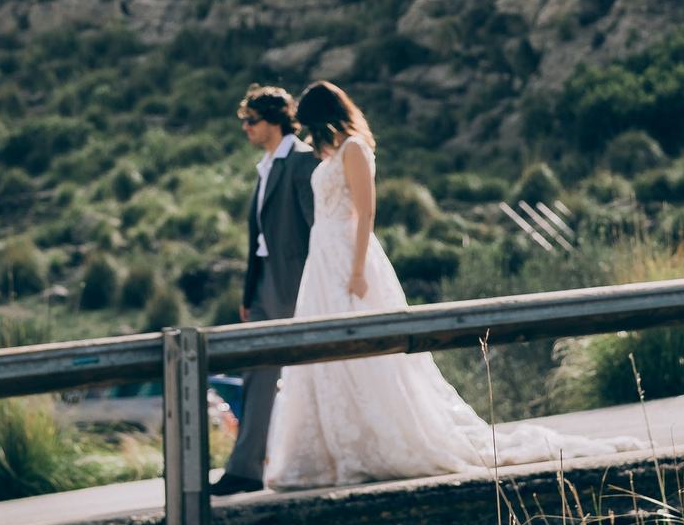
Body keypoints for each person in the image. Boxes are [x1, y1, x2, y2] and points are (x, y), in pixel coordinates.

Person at [261, 82, 640, 489]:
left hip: (348, 256)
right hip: (322, 258)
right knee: (325, 353)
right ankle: (328, 452)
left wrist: (356, 271)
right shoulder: (331, 153)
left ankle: (372, 442)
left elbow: (366, 212)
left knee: (370, 352)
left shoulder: (355, 148)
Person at [216, 85, 319, 494]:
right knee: (257, 370)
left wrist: (317, 284)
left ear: (274, 120)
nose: (245, 128)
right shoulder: (267, 165)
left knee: (309, 372)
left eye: (251, 120)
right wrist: (249, 295)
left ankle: (309, 459)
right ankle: (244, 470)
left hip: (297, 284)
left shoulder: (301, 161)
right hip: (264, 287)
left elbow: (316, 229)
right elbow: (257, 238)